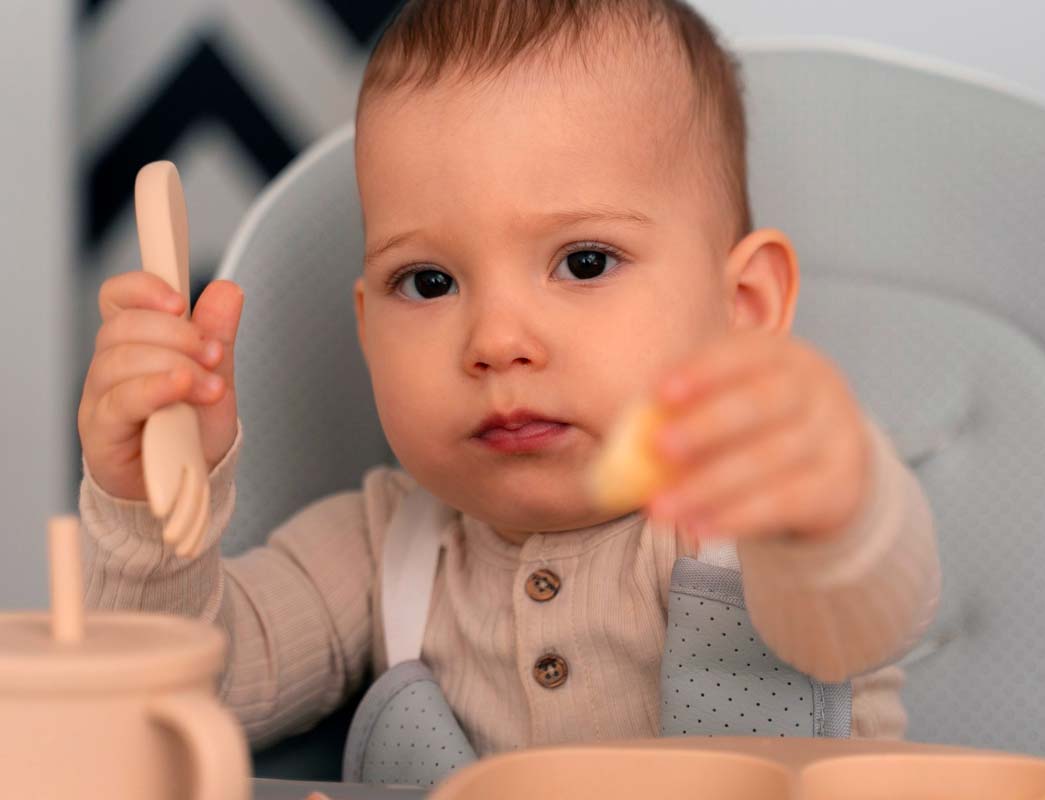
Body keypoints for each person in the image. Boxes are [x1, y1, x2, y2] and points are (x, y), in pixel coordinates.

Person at [77, 0, 940, 760]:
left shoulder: (745, 514)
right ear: (368, 329)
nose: (495, 341)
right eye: (428, 282)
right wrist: (150, 512)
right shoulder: (383, 549)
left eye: (584, 261)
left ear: (743, 307)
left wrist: (831, 501)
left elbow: (857, 614)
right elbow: (181, 700)